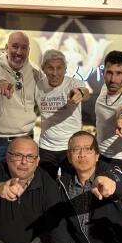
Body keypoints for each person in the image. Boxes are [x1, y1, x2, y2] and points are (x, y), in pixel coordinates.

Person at [0, 31, 42, 168]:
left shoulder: (35, 73)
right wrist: (0, 82)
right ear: (6, 47)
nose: (19, 52)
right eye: (15, 46)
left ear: (29, 50)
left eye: (24, 48)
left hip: (25, 140)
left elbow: (48, 92)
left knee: (21, 185)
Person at [35, 49, 89, 179]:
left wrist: (80, 93)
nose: (54, 73)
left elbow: (85, 92)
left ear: (65, 69)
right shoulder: (38, 86)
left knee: (70, 186)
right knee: (46, 187)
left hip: (71, 147)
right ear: (43, 69)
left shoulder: (74, 84)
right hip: (46, 147)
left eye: (59, 68)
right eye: (50, 68)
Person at [95, 50, 122, 174]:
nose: (113, 79)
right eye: (109, 73)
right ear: (103, 73)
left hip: (118, 159)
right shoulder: (105, 87)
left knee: (111, 192)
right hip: (99, 153)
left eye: (119, 73)